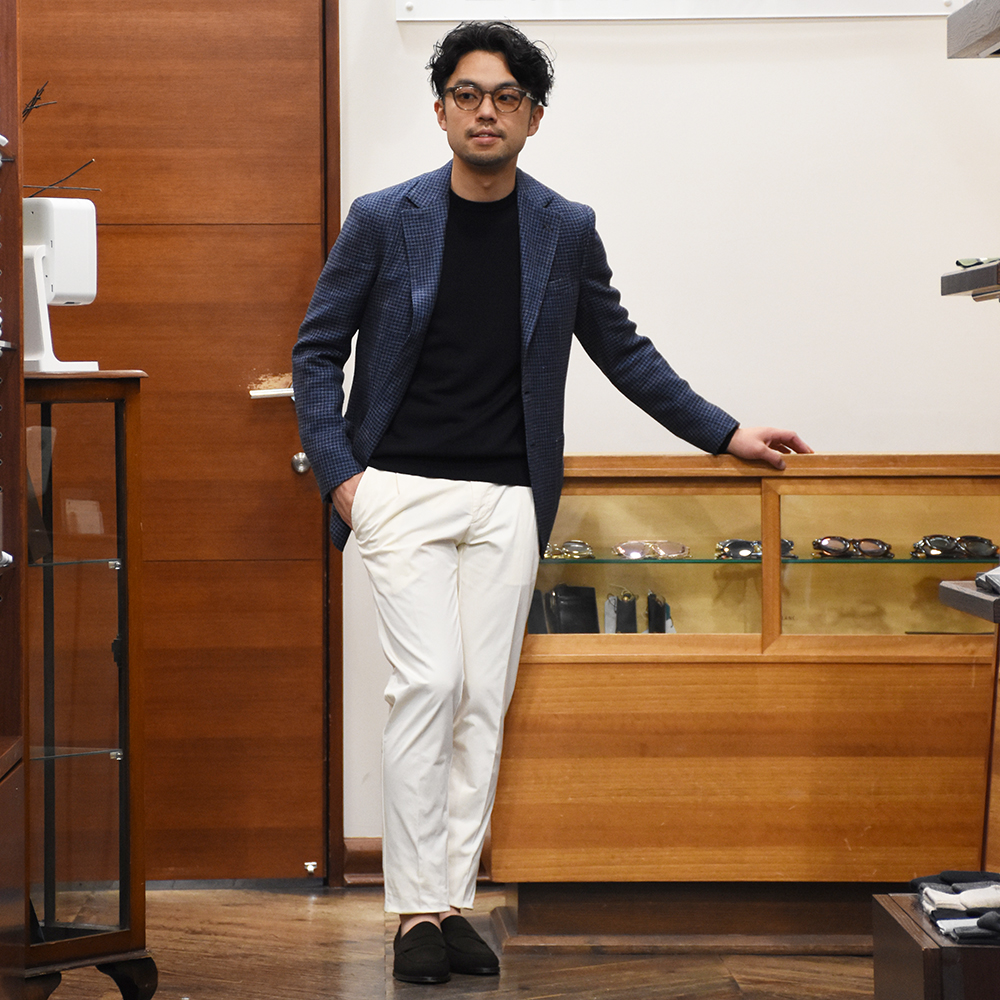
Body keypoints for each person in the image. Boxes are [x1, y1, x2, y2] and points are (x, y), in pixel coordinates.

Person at [292, 20, 812, 985]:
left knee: (482, 701)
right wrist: (342, 476)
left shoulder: (564, 227)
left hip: (508, 499)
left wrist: (725, 431)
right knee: (430, 685)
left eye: (507, 97)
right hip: (399, 489)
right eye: (467, 94)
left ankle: (448, 902)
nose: (485, 111)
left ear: (534, 116)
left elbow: (623, 350)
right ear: (440, 108)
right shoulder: (384, 218)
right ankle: (412, 912)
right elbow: (317, 349)